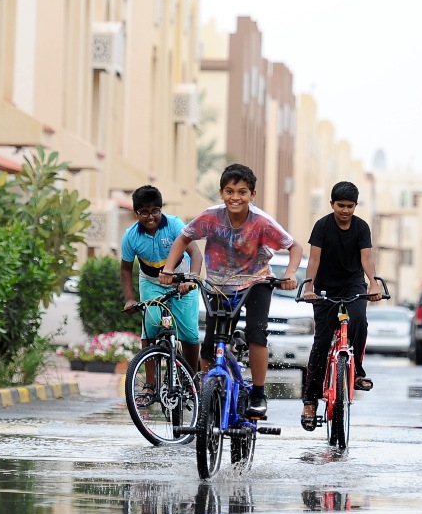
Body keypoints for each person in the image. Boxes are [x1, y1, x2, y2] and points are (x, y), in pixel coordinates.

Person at [159, 163, 302, 416]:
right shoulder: (211, 217)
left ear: (252, 195)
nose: (235, 197)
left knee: (256, 334)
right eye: (230, 191)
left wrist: (289, 273)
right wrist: (169, 269)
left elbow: (294, 247)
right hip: (219, 285)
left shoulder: (261, 222)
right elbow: (184, 238)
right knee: (210, 344)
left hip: (256, 282)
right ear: (221, 193)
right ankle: (207, 394)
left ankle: (258, 394)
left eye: (242, 192)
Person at [299, 181, 382, 431]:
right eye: (340, 206)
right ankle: (310, 401)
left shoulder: (361, 227)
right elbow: (314, 259)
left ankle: (356, 371)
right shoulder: (322, 226)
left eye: (350, 206)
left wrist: (373, 283)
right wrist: (309, 287)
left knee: (359, 319)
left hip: (352, 284)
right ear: (332, 204)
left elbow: (366, 258)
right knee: (322, 342)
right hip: (324, 287)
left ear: (355, 206)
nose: (345, 211)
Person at [121, 185, 202, 407]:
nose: (151, 216)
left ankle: (191, 380)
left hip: (181, 280)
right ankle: (150, 383)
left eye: (155, 210)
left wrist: (190, 279)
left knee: (189, 332)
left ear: (161, 209)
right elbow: (126, 269)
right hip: (151, 283)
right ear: (136, 213)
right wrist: (129, 298)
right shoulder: (130, 237)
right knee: (151, 324)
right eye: (144, 212)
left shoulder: (175, 224)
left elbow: (195, 253)